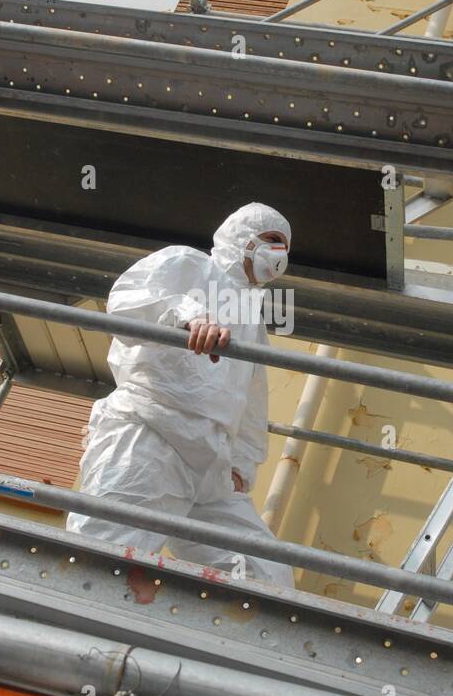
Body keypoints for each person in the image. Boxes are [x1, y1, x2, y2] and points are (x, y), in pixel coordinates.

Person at [66, 203, 295, 587]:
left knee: (266, 575)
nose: (280, 255)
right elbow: (125, 304)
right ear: (244, 237)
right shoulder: (187, 264)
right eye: (273, 240)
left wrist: (242, 466)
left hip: (211, 465)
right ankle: (68, 642)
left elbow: (252, 403)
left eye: (285, 248)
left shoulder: (252, 321)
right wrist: (187, 317)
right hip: (152, 434)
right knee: (105, 555)